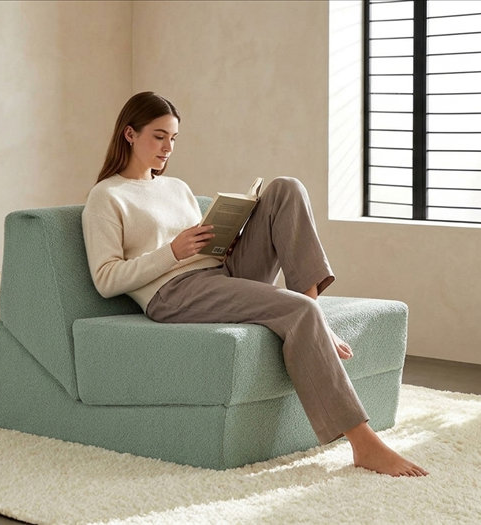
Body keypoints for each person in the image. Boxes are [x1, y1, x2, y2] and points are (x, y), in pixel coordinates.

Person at [82, 91, 428, 477]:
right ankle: (363, 444)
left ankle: (312, 312)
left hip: (217, 273)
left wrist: (224, 243)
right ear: (130, 134)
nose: (169, 147)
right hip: (174, 293)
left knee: (285, 189)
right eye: (159, 136)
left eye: (174, 138)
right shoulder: (106, 196)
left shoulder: (176, 187)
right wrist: (172, 252)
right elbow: (106, 279)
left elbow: (201, 250)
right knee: (297, 310)